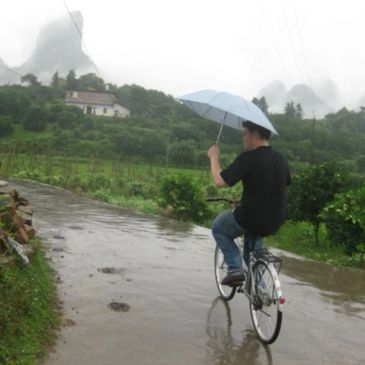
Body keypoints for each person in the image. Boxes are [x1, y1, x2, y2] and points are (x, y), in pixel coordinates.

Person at [207, 121, 291, 286]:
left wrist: (213, 157)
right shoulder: (280, 158)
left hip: (251, 217)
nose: (242, 138)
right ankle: (260, 290)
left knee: (218, 226)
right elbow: (278, 184)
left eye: (244, 134)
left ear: (255, 134)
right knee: (252, 252)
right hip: (275, 218)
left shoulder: (248, 158)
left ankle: (235, 269)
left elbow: (219, 181)